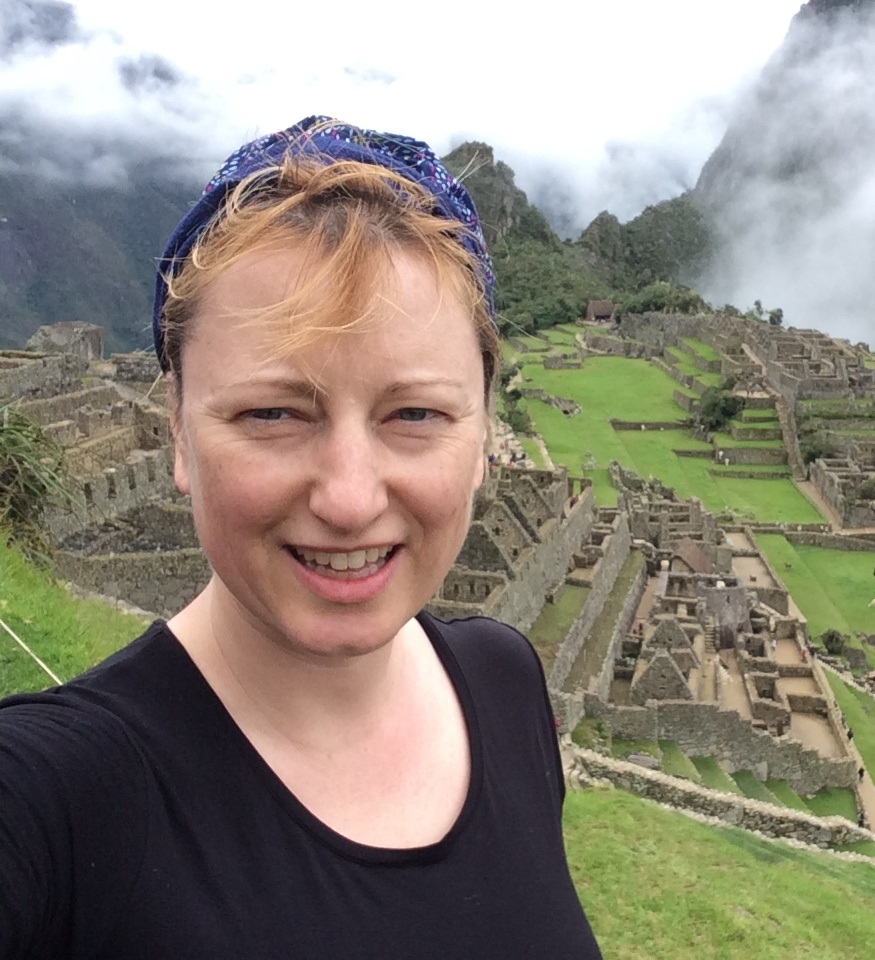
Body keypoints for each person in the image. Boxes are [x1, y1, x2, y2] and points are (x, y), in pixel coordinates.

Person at [0, 117, 601, 958]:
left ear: (484, 433)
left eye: (415, 414)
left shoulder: (507, 685)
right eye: (272, 413)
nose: (350, 500)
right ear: (175, 429)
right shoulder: (59, 799)